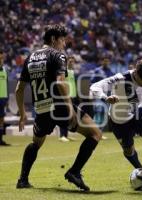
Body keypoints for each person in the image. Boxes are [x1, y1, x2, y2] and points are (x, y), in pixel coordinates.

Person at [15, 24, 102, 191]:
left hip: (41, 108)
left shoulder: (30, 57)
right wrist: (69, 107)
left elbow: (19, 88)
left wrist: (22, 114)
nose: (64, 44)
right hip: (59, 107)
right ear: (54, 39)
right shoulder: (58, 55)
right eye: (63, 40)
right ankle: (74, 172)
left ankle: (22, 180)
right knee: (95, 134)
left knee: (36, 143)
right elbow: (60, 83)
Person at [90, 58, 142, 188]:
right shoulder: (120, 78)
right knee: (128, 150)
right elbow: (94, 86)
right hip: (118, 119)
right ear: (135, 72)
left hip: (137, 111)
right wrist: (106, 97)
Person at [58, 55, 78, 142]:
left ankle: (66, 135)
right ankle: (62, 135)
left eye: (73, 61)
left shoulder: (73, 72)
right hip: (66, 96)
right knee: (64, 115)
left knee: (69, 116)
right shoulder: (64, 71)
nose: (71, 62)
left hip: (72, 96)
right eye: (70, 61)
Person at [0, 49, 10, 146]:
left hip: (3, 98)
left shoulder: (5, 70)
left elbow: (6, 84)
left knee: (2, 120)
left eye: (2, 58)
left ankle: (1, 140)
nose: (1, 60)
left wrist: (7, 98)